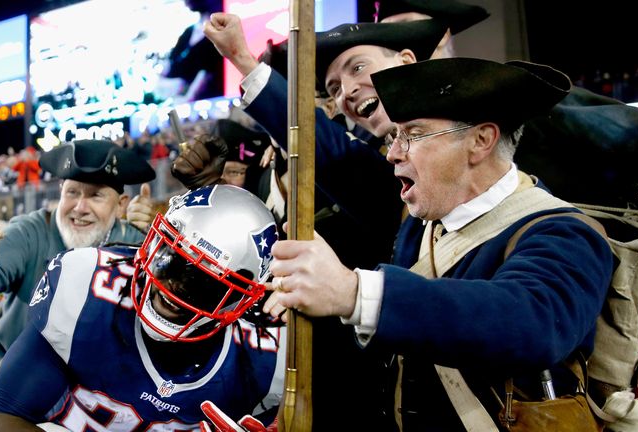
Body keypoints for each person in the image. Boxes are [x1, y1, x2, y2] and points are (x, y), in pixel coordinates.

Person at [262, 58, 614, 430]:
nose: (395, 152)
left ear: (480, 141)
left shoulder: (566, 233)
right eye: (393, 136)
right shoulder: (421, 223)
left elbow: (532, 322)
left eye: (412, 134)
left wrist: (353, 292)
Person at [205, 14, 447, 430]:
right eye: (334, 87)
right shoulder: (378, 170)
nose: (348, 91)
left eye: (358, 68)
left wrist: (243, 60)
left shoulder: (518, 146)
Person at [0, 184, 284, 431]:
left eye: (203, 283)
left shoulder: (266, 358)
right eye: (170, 259)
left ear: (243, 299)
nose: (174, 286)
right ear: (154, 241)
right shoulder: (86, 287)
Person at [373, 0, 638, 210]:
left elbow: (637, 132)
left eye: (403, 31)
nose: (398, 47)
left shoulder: (508, 97)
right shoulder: (394, 141)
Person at [0, 140, 157, 401]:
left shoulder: (137, 246)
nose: (80, 207)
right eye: (73, 193)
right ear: (60, 191)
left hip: (98, 403)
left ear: (121, 204)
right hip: (14, 394)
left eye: (96, 195)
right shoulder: (31, 231)